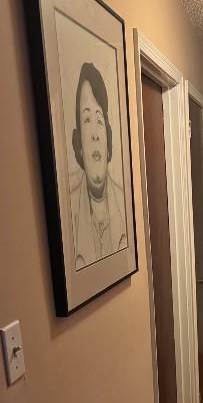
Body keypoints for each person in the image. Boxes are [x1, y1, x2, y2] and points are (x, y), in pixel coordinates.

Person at [70, 62, 127, 269]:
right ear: (79, 145)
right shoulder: (70, 211)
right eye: (86, 120)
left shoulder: (123, 201)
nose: (94, 134)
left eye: (99, 120)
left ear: (108, 140)